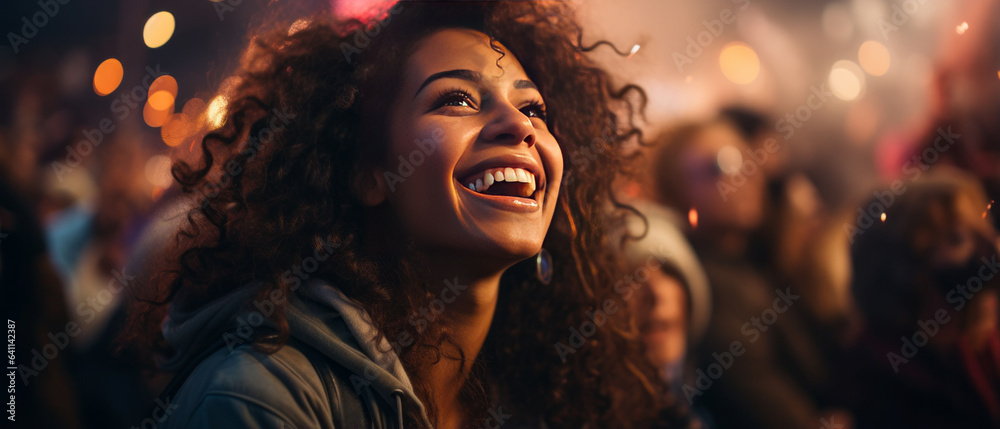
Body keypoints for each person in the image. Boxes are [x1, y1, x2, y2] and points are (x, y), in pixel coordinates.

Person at [120, 2, 689, 428]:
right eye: (457, 99)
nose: (519, 127)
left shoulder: (552, 391)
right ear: (367, 173)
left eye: (533, 107)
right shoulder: (260, 398)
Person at [838, 169, 1000, 428]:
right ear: (904, 271)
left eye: (983, 225)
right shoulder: (878, 376)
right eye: (957, 237)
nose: (991, 245)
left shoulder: (976, 341)